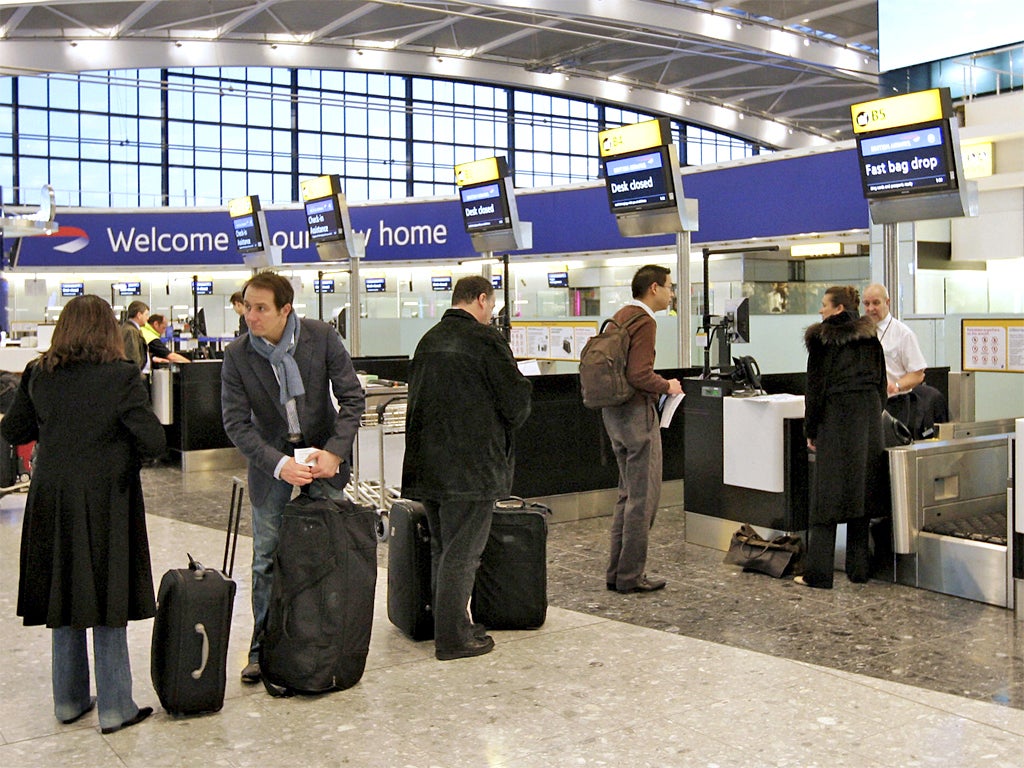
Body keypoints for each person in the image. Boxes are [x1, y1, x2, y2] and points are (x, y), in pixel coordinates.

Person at [0, 294, 166, 734]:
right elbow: (152, 442)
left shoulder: (38, 373)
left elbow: (12, 430)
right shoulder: (121, 376)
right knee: (106, 592)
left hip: (51, 497)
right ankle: (115, 706)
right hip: (106, 497)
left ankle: (69, 700)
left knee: (64, 589)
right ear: (108, 331)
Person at [221, 271, 364, 684]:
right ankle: (261, 650)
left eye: (261, 308)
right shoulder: (238, 355)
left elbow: (352, 397)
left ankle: (330, 643)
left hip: (322, 462)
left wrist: (335, 452)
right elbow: (236, 424)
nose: (251, 316)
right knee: (266, 559)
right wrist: (279, 464)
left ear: (286, 310)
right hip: (273, 470)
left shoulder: (321, 338)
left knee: (334, 553)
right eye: (247, 307)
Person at [401, 275, 532, 660]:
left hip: (428, 465)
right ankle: (454, 639)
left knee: (444, 547)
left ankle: (451, 624)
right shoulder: (485, 340)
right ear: (480, 300)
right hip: (471, 466)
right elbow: (515, 404)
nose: (491, 313)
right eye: (490, 306)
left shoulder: (428, 340)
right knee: (464, 552)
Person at [799, 286, 887, 589]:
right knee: (861, 491)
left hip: (836, 419)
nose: (821, 310)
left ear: (837, 309)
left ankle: (819, 573)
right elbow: (882, 382)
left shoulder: (822, 339)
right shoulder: (870, 336)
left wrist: (811, 429)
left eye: (824, 305)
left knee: (827, 496)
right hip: (867, 419)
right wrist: (872, 415)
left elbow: (816, 390)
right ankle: (859, 569)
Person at [602, 265, 682, 594]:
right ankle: (631, 576)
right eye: (669, 287)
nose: (672, 293)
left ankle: (617, 572)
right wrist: (668, 385)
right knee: (643, 499)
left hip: (614, 415)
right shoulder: (645, 321)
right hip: (637, 415)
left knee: (627, 495)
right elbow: (639, 374)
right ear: (653, 288)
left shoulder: (620, 316)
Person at [861, 284, 926, 398]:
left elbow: (917, 374)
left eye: (876, 303)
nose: (870, 308)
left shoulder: (903, 334)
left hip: (896, 402)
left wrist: (896, 385)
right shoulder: (860, 333)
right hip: (867, 404)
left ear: (887, 302)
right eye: (866, 304)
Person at [120, 300, 150, 370]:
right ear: (139, 315)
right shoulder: (131, 331)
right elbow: (132, 356)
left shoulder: (132, 329)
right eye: (146, 315)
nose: (147, 318)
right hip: (134, 374)